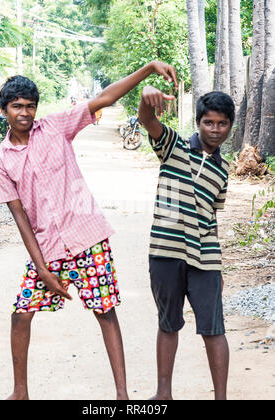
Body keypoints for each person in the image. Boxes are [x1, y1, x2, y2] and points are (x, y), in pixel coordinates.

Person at [0, 61, 177, 401]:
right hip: (47, 249)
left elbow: (104, 98)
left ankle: (122, 395)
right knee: (20, 315)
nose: (25, 113)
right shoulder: (1, 159)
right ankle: (20, 393)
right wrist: (43, 270)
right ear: (4, 110)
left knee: (105, 314)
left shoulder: (56, 126)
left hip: (87, 239)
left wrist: (148, 69)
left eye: (30, 106)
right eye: (17, 106)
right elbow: (20, 217)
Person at [139, 85, 235, 400]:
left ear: (230, 126)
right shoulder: (174, 147)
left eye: (222, 123)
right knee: (168, 324)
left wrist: (218, 265)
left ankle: (220, 397)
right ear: (198, 122)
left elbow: (212, 218)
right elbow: (147, 119)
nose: (216, 129)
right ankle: (163, 393)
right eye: (209, 122)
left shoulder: (223, 170)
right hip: (165, 253)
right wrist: (146, 96)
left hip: (205, 257)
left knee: (214, 328)